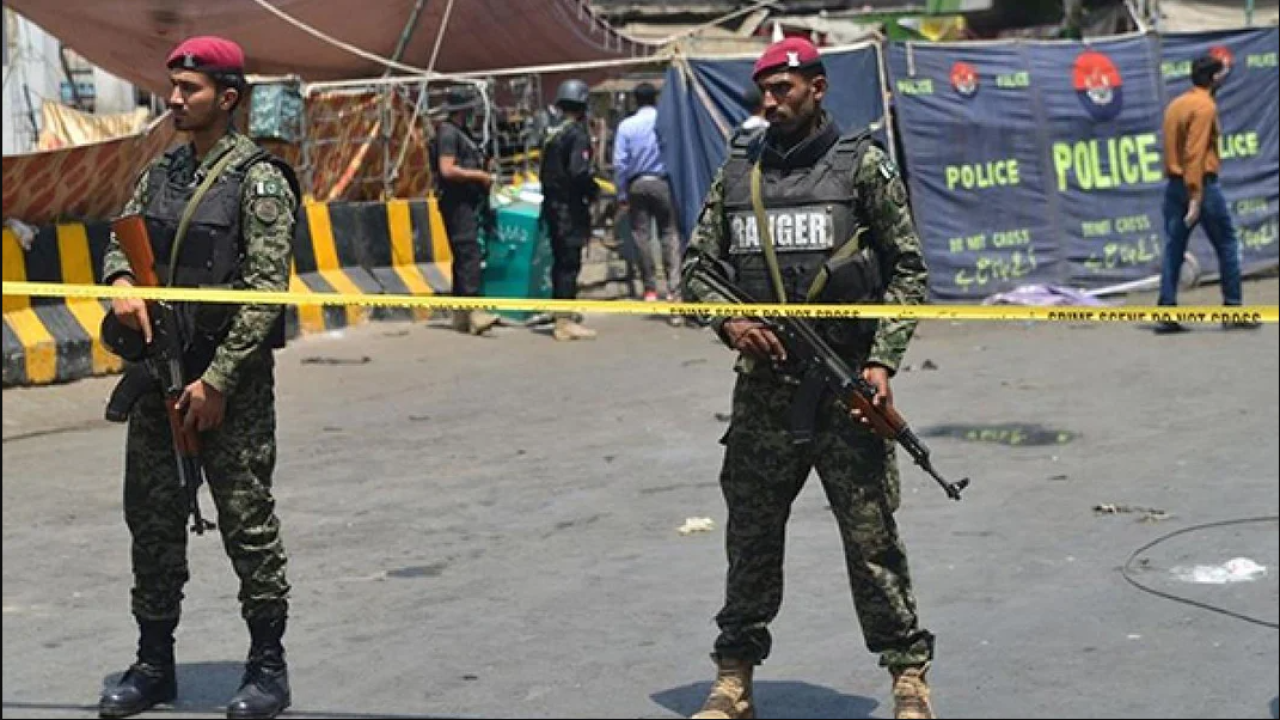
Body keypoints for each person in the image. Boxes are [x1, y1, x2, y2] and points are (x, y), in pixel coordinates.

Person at [679, 37, 936, 720]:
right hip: (765, 393)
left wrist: (882, 360)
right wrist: (731, 322)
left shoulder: (863, 167)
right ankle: (733, 679)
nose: (770, 101)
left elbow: (909, 269)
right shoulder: (740, 172)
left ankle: (909, 677)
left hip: (847, 387)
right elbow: (696, 271)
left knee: (872, 541)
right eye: (763, 90)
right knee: (751, 539)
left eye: (783, 89)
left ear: (817, 88)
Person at [98, 36, 297, 720]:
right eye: (174, 86)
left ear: (228, 98)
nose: (175, 98)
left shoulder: (260, 181)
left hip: (229, 390)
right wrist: (121, 282)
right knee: (152, 522)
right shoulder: (162, 172)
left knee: (247, 524)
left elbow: (266, 294)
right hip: (160, 379)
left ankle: (267, 668)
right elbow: (119, 241)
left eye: (191, 89)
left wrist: (217, 382)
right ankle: (154, 663)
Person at [1155, 54, 1261, 333]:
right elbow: (1195, 152)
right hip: (1201, 184)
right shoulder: (1205, 107)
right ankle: (1233, 308)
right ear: (1213, 78)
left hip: (1174, 185)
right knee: (1227, 244)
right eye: (1221, 73)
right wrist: (1195, 195)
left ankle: (1166, 308)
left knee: (1174, 248)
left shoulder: (1176, 105)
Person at [434, 86, 502, 335]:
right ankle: (474, 311)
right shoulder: (448, 133)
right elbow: (447, 169)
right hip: (457, 203)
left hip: (468, 201)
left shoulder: (463, 133)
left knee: (464, 255)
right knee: (468, 253)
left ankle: (461, 314)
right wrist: (479, 176)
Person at [613, 81, 682, 310]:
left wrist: (621, 193)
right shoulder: (666, 123)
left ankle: (649, 289)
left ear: (635, 100)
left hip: (637, 184)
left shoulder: (626, 126)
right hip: (663, 183)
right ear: (656, 98)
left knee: (641, 236)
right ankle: (673, 289)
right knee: (669, 234)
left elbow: (620, 163)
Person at [539, 78, 598, 341]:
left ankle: (560, 314)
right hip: (569, 209)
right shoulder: (576, 134)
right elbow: (578, 172)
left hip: (552, 206)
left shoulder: (552, 133)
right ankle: (564, 322)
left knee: (560, 261)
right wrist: (593, 190)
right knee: (569, 263)